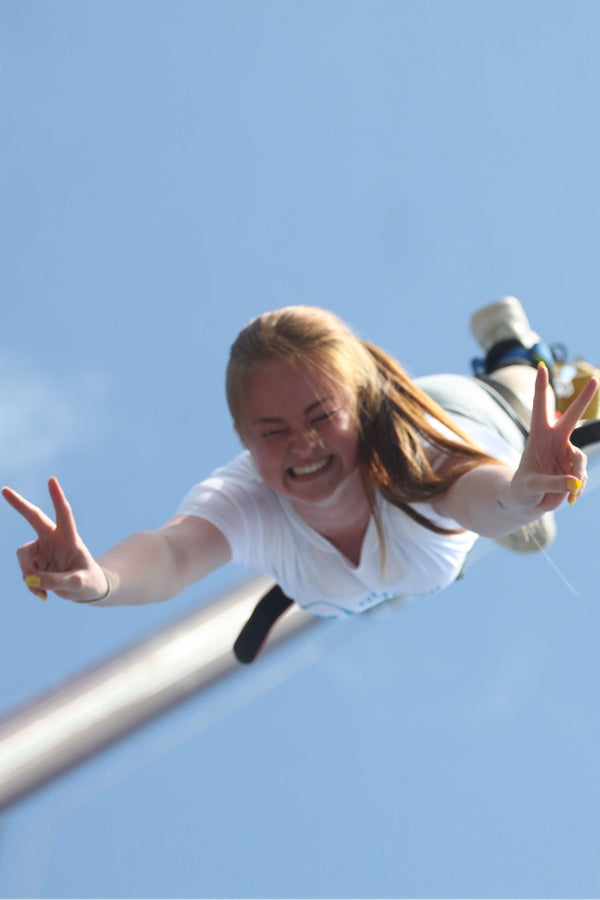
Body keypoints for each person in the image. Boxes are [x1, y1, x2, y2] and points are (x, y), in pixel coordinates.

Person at [3, 297, 599, 620]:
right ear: (242, 437)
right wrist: (102, 579)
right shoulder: (250, 499)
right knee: (503, 536)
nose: (301, 445)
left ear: (361, 406)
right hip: (395, 562)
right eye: (271, 430)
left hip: (474, 414)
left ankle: (513, 345)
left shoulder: (418, 453)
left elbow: (482, 496)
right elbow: (173, 552)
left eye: (320, 418)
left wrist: (525, 491)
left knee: (520, 399)